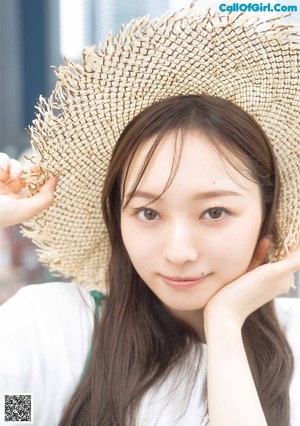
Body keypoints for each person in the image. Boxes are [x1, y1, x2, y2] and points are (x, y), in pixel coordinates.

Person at [0, 4, 300, 426]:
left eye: (215, 211)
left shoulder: (296, 347)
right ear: (115, 216)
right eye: (147, 212)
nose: (178, 252)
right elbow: (13, 412)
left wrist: (226, 323)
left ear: (267, 215)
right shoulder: (48, 335)